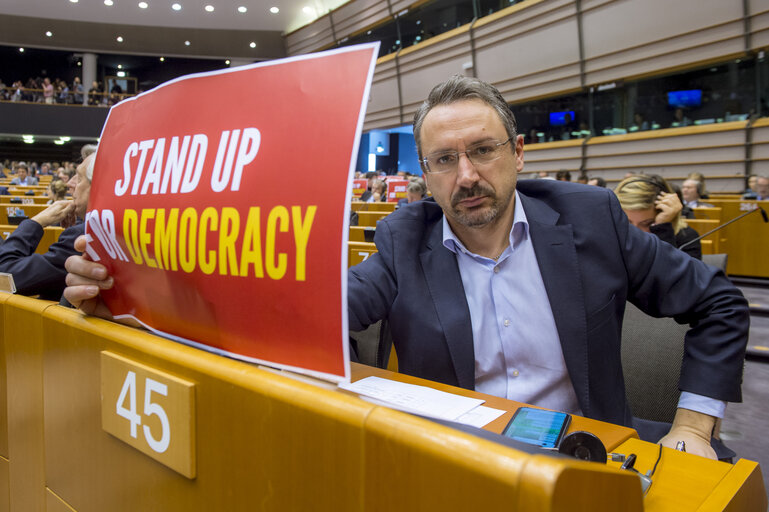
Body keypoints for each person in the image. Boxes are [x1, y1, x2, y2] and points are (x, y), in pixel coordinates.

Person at [63, 76, 748, 460]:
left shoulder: (591, 219)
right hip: (456, 463)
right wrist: (138, 292)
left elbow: (717, 303)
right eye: (444, 161)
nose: (467, 175)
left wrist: (692, 424)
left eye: (482, 151)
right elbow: (303, 316)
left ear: (517, 152)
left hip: (584, 457)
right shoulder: (402, 239)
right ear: (424, 174)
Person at [0, 149, 95, 300]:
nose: (70, 183)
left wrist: (37, 222)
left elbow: (4, 277)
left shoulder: (83, 236)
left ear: (98, 187)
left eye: (80, 178)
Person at [614, 175, 702, 260]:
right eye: (627, 223)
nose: (636, 232)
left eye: (647, 223)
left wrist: (662, 230)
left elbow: (673, 274)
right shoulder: (612, 232)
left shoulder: (687, 238)